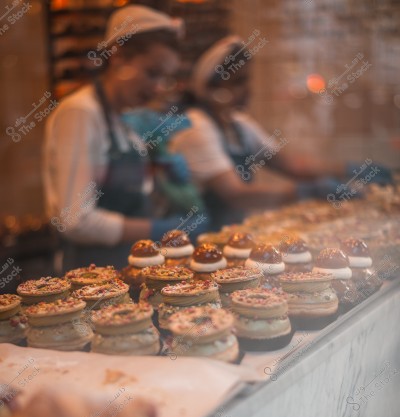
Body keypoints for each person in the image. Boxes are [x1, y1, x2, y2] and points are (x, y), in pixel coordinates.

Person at [170, 36, 393, 230]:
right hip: (199, 239)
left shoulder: (238, 123)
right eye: (239, 82)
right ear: (212, 88)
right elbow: (236, 195)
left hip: (231, 233)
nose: (249, 90)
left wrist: (351, 170)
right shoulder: (197, 127)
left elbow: (293, 166)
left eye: (247, 80)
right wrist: (308, 191)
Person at [44, 5, 194, 270]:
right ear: (119, 57)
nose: (158, 88)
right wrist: (158, 228)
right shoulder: (80, 113)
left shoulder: (123, 121)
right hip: (93, 276)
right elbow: (75, 221)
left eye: (166, 79)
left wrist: (163, 180)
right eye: (152, 73)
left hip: (131, 269)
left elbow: (133, 197)